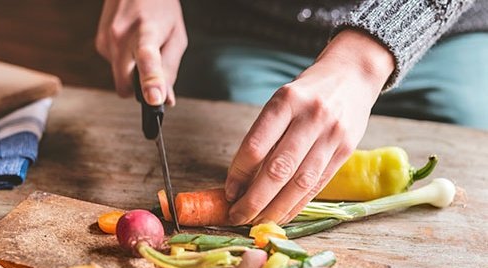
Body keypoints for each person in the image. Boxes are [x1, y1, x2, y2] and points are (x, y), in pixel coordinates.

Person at [95, 0, 487, 225]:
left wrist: (362, 60)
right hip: (248, 26)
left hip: (440, 32)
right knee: (249, 153)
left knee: (465, 127)